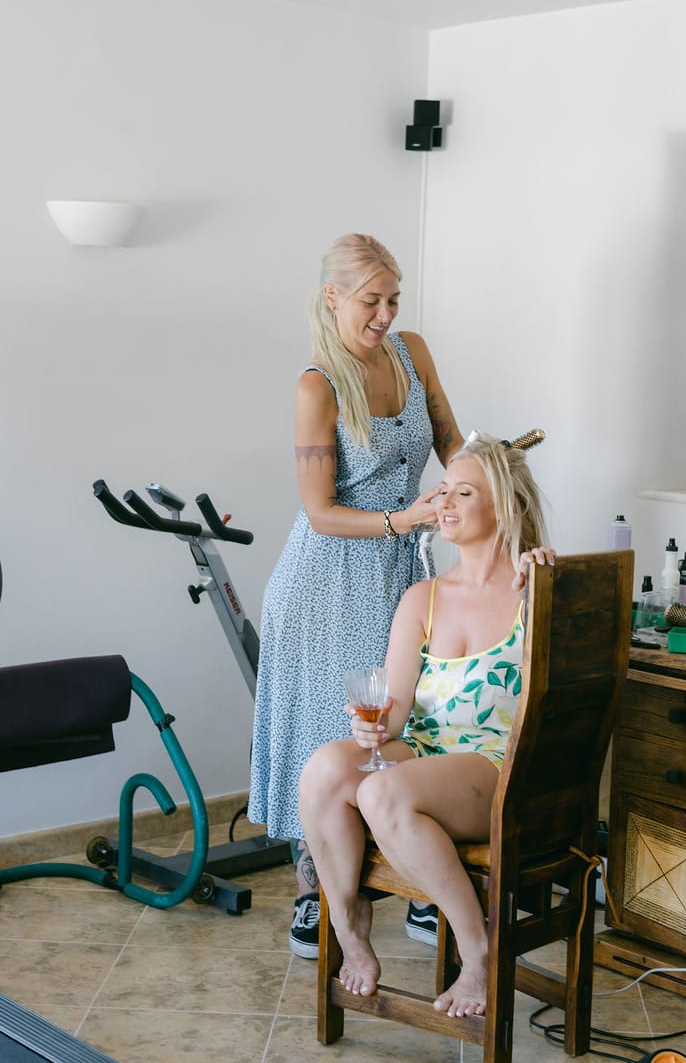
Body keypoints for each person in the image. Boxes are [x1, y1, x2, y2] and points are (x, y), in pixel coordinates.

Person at [249, 232, 464, 958]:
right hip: (327, 580)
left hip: (403, 570)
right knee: (331, 732)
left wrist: (483, 477)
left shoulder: (413, 353)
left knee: (410, 718)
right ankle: (315, 893)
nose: (386, 314)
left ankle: (419, 879)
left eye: (394, 299)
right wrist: (407, 518)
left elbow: (450, 441)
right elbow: (319, 511)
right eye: (372, 300)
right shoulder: (318, 386)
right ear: (333, 298)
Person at [298, 432, 554, 1017]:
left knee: (381, 792)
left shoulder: (535, 591)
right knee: (325, 770)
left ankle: (477, 948)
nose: (445, 503)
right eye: (444, 491)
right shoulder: (423, 598)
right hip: (426, 749)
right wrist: (371, 729)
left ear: (507, 506)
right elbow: (395, 710)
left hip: (499, 766)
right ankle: (349, 924)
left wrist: (551, 577)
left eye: (464, 493)